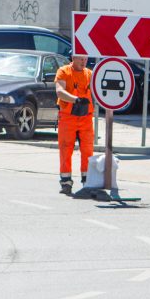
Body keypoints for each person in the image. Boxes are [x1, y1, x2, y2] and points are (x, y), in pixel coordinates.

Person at [54, 54, 94, 195]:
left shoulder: (89, 74)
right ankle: (66, 182)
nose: (83, 61)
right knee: (66, 149)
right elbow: (60, 92)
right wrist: (76, 100)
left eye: (85, 59)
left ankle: (87, 182)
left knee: (88, 151)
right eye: (80, 58)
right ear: (73, 58)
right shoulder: (64, 71)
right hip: (68, 117)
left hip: (86, 118)